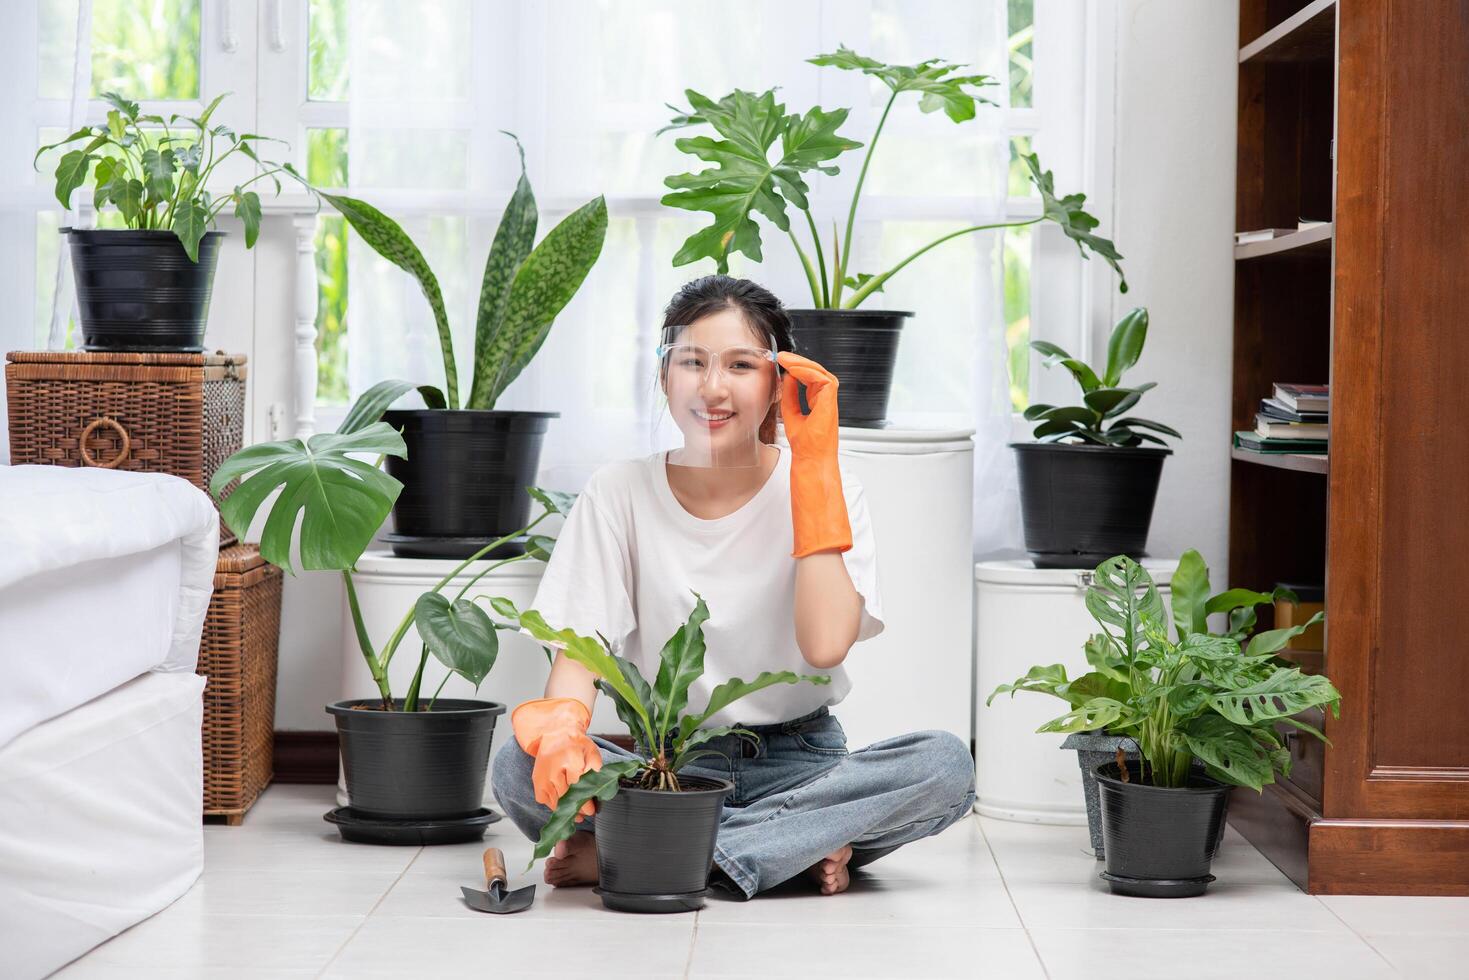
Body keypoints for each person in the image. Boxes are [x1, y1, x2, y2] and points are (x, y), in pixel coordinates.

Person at [491, 275, 975, 899]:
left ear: (778, 383)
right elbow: (577, 652)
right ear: (664, 376)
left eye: (742, 365)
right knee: (514, 764)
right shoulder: (618, 492)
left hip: (803, 766)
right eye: (692, 362)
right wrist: (560, 734)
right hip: (663, 769)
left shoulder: (828, 487)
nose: (713, 387)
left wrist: (816, 467)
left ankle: (646, 852)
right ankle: (783, 850)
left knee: (943, 764)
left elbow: (826, 645)